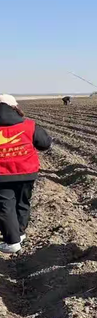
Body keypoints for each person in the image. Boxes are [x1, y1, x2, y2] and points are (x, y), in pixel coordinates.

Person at [0, 95, 52, 254]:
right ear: (14, 108)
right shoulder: (29, 125)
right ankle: (20, 233)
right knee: (23, 202)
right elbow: (44, 144)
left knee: (5, 205)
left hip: (3, 174)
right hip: (27, 172)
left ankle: (12, 241)